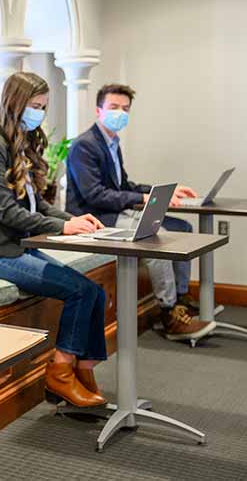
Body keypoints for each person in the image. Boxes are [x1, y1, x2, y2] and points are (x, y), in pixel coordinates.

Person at [0, 71, 108, 408]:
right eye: (34, 106)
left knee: (96, 292)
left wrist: (72, 219)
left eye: (43, 107)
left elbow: (37, 205)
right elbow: (7, 213)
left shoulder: (20, 142)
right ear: (15, 104)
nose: (39, 114)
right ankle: (60, 372)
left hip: (18, 249)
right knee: (81, 290)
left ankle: (83, 370)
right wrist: (63, 229)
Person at [66, 83, 214, 342]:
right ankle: (169, 313)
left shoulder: (112, 143)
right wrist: (145, 198)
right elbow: (95, 195)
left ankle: (180, 298)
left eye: (125, 109)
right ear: (98, 110)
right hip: (95, 217)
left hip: (114, 210)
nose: (120, 113)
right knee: (158, 237)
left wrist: (163, 192)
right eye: (113, 107)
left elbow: (124, 187)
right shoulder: (84, 145)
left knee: (183, 229)